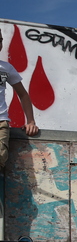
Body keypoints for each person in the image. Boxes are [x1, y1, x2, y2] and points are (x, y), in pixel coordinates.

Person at [1, 29, 40, 171]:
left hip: (1, 122)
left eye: (0, 40)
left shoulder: (6, 68)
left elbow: (23, 94)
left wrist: (31, 121)